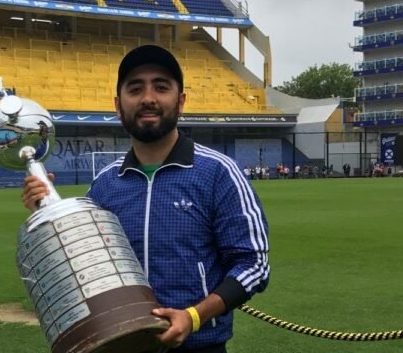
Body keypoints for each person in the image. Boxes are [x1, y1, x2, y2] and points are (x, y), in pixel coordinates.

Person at [22, 45, 270, 353]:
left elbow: (253, 264)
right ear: (118, 105)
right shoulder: (104, 185)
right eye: (135, 88)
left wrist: (193, 317)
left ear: (180, 102)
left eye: (161, 87)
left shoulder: (218, 173)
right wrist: (47, 213)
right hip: (123, 345)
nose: (148, 98)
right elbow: (84, 264)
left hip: (199, 347)